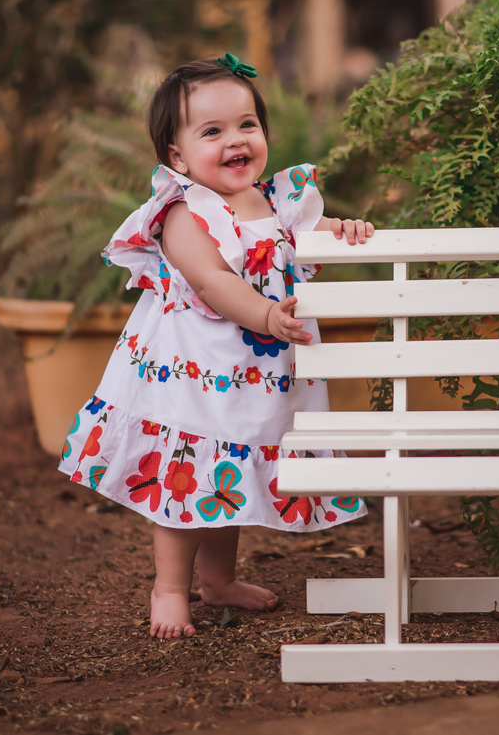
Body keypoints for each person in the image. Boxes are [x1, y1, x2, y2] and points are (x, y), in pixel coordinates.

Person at [57, 54, 374, 639]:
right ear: (177, 156)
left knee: (224, 471)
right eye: (213, 131)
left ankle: (219, 581)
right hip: (192, 372)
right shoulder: (185, 211)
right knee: (187, 473)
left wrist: (345, 229)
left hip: (257, 370)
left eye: (247, 125)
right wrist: (266, 314)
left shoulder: (277, 202)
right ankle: (169, 587)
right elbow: (212, 281)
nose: (237, 140)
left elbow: (309, 235)